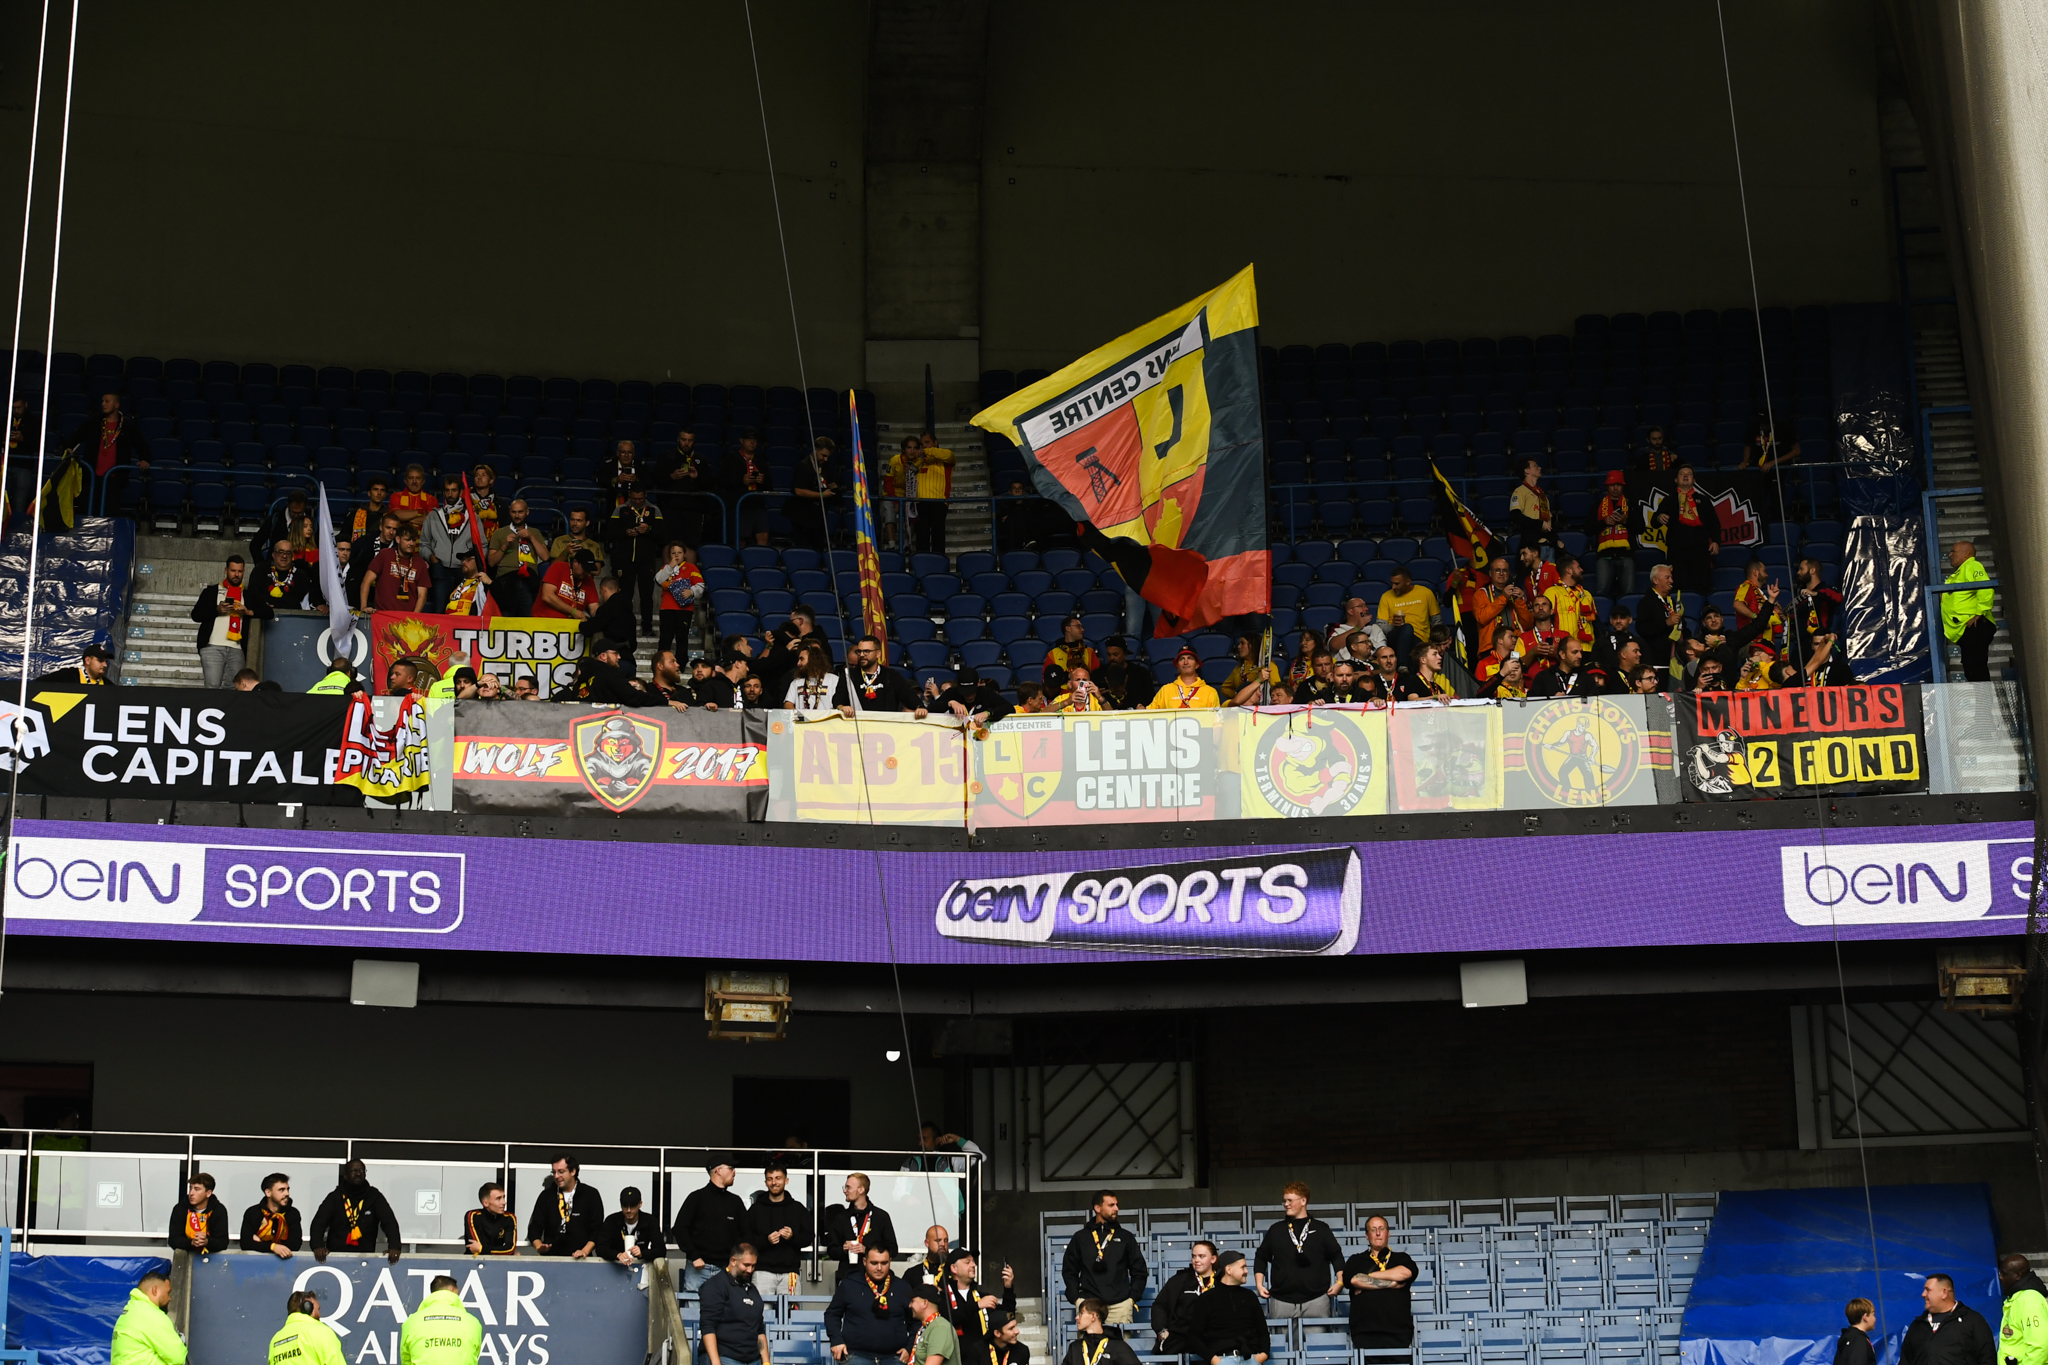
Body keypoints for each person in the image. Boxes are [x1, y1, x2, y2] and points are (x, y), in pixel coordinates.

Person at [1253, 1182, 1344, 1322]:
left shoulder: (1321, 1228)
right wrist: (1259, 1284)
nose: (1286, 1204)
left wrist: (1340, 1282)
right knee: (1282, 1343)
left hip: (1316, 1300)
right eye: (1284, 1200)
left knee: (1318, 1343)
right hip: (1281, 1301)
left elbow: (1336, 1255)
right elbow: (1261, 1256)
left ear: (1303, 1201)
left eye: (1290, 1200)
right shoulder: (1276, 1230)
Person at [1061, 1190, 1147, 1328]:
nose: (1116, 1209)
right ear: (1097, 1208)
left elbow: (1140, 1270)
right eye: (1111, 1205)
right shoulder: (1080, 1237)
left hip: (1119, 1306)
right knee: (1088, 1349)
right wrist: (1077, 1299)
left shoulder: (1126, 1237)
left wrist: (1131, 1299)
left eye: (1117, 1205)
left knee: (1119, 1349)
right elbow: (1069, 1270)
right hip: (1089, 1306)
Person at [191, 556, 274, 688]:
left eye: (239, 571)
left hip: (237, 649)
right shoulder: (211, 592)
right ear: (226, 570)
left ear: (244, 572)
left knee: (235, 689)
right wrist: (217, 610)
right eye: (233, 570)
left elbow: (269, 613)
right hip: (212, 646)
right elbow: (195, 615)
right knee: (212, 687)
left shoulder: (248, 595)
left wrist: (248, 612)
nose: (236, 574)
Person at [828, 1244, 915, 1365]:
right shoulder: (849, 1284)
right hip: (855, 1356)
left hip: (895, 1358)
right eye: (874, 1263)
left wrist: (909, 1348)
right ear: (864, 1261)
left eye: (884, 1263)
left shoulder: (902, 1287)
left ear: (890, 1261)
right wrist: (836, 1340)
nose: (879, 1268)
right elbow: (832, 1314)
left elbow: (916, 1321)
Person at [1343, 1217, 1416, 1351]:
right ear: (1366, 1235)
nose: (1378, 1233)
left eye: (1382, 1229)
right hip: (1365, 1334)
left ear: (1388, 1233)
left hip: (1398, 1333)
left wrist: (1369, 1277)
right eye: (1373, 1229)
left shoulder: (1402, 1258)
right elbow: (1354, 1280)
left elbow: (1405, 1273)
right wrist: (1391, 1284)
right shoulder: (1355, 1260)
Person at [674, 1161, 748, 1290]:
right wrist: (694, 1256)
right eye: (731, 1168)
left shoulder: (735, 1202)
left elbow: (746, 1234)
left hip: (726, 1269)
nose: (734, 1172)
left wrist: (737, 1260)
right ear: (718, 1170)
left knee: (726, 1308)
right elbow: (680, 1229)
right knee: (694, 1308)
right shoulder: (696, 1198)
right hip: (698, 1268)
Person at [310, 1159, 401, 1262]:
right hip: (335, 1258)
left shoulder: (374, 1196)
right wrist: (318, 1246)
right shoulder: (335, 1197)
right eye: (354, 1170)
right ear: (345, 1175)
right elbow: (319, 1222)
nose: (358, 1173)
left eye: (361, 1170)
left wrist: (394, 1247)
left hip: (365, 1259)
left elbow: (389, 1222)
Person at [1186, 1252, 1269, 1365]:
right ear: (1228, 1270)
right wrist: (1215, 1360)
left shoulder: (1250, 1296)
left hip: (1250, 1359)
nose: (1246, 1271)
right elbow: (1193, 1337)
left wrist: (1262, 1356)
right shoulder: (1207, 1298)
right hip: (1222, 1360)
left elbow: (1263, 1331)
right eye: (1243, 1267)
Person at [747, 1163, 812, 1298]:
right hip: (761, 1272)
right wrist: (766, 1241)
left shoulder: (797, 1208)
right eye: (770, 1179)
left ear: (786, 1181)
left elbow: (809, 1237)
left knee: (790, 1315)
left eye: (778, 1178)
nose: (774, 1182)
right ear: (765, 1182)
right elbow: (745, 1239)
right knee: (761, 1315)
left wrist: (792, 1237)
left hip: (790, 1273)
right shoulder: (755, 1210)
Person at [1901, 1272, 1994, 1365]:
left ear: (1944, 1293)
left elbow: (1988, 1358)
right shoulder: (1918, 1325)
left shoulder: (1972, 1321)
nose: (1923, 1294)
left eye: (1928, 1290)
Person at [1655, 464, 1720, 595]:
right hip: (1676, 551)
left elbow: (1714, 524)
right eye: (1681, 474)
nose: (1685, 476)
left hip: (1700, 550)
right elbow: (1654, 522)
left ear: (1694, 480)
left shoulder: (1703, 500)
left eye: (1689, 474)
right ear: (1676, 480)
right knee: (1677, 587)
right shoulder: (1669, 500)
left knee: (1703, 586)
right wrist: (1659, 517)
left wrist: (1716, 541)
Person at [607, 487, 665, 633]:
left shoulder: (654, 510)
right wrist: (625, 532)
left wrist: (648, 530)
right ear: (629, 496)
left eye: (640, 498)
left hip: (646, 560)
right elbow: (610, 533)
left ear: (645, 494)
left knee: (646, 595)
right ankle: (625, 627)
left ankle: (647, 627)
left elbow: (662, 535)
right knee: (625, 595)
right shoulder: (620, 509)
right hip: (624, 559)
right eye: (634, 499)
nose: (638, 501)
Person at [822, 1174, 898, 1283]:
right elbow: (831, 1251)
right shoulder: (841, 1217)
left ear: (861, 1189)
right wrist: (843, 1249)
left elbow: (893, 1250)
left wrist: (867, 1250)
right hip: (847, 1277)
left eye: (848, 1187)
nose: (845, 1191)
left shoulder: (880, 1216)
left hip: (876, 1279)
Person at [702, 1245, 771, 1365]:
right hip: (725, 1356)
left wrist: (766, 1362)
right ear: (734, 1261)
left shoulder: (752, 1289)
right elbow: (708, 1325)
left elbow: (759, 1329)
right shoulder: (716, 1285)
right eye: (746, 1265)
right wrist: (716, 1362)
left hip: (753, 1358)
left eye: (753, 1266)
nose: (750, 1270)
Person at [1152, 1241, 1219, 1358]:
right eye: (1194, 1256)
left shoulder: (1221, 1282)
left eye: (1201, 1256)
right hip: (1181, 1337)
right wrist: (1162, 1331)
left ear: (1213, 1259)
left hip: (1211, 1338)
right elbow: (1160, 1304)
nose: (1196, 1260)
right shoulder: (1180, 1280)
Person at [528, 1153, 603, 1258]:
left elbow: (597, 1229)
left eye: (561, 1172)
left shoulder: (590, 1194)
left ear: (573, 1171)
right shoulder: (547, 1196)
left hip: (581, 1261)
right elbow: (534, 1227)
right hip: (551, 1259)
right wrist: (539, 1246)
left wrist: (584, 1251)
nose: (556, 1176)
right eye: (554, 1172)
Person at [486, 499, 552, 616]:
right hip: (506, 578)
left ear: (527, 512)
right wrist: (505, 545)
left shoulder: (535, 532)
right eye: (514, 512)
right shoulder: (500, 533)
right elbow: (491, 562)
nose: (517, 515)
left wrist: (531, 537)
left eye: (520, 512)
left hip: (529, 578)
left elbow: (545, 557)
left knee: (527, 613)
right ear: (509, 512)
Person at [894, 433, 956, 556]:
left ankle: (938, 567)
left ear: (935, 443)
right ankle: (923, 566)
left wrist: (928, 452)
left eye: (927, 443)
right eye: (922, 445)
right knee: (921, 537)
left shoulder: (945, 459)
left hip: (939, 502)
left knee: (938, 535)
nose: (924, 447)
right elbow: (904, 481)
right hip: (919, 503)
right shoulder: (918, 462)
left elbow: (949, 455)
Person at [399, 1274, 482, 1365]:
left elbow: (406, 1359)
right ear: (451, 1290)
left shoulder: (411, 1322)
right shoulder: (472, 1322)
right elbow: (473, 1355)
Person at [1944, 540, 1996, 682]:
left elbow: (1985, 587)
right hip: (1965, 630)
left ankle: (1985, 702)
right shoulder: (1958, 574)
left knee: (1976, 668)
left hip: (1975, 626)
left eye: (1954, 551)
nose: (1950, 555)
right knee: (1971, 669)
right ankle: (1983, 701)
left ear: (1966, 553)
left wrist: (1980, 612)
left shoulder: (1972, 565)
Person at [111, 1271, 186, 1365]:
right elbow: (179, 1357)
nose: (169, 1298)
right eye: (168, 1292)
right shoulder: (152, 1315)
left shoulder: (129, 1313)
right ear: (155, 1290)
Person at [838, 635, 925, 715]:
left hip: (886, 728)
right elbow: (837, 700)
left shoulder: (892, 675)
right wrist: (842, 707)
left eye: (866, 651)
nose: (861, 655)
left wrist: (920, 707)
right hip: (857, 728)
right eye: (859, 651)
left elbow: (909, 696)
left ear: (878, 654)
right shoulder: (848, 675)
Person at [656, 429, 714, 546]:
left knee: (691, 545)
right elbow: (655, 479)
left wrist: (697, 477)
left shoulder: (700, 460)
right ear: (678, 440)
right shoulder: (666, 457)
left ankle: (689, 566)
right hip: (671, 508)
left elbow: (710, 484)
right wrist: (671, 477)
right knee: (669, 544)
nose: (686, 443)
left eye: (690, 440)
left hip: (693, 510)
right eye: (683, 440)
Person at [361, 525, 431, 613]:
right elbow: (366, 582)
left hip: (407, 618)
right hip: (382, 614)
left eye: (413, 540)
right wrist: (363, 607)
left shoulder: (420, 563)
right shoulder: (385, 555)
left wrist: (414, 616)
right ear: (398, 539)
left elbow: (422, 595)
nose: (411, 543)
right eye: (407, 540)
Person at [1590, 469, 1636, 599]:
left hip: (1626, 555)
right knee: (1602, 591)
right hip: (1604, 556)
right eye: (1612, 485)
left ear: (1623, 486)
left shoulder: (1630, 504)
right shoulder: (1597, 505)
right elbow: (1588, 529)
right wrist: (1604, 522)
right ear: (1607, 486)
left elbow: (1640, 528)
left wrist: (1625, 521)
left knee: (1629, 593)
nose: (1615, 488)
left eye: (1618, 484)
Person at [791, 435, 843, 551]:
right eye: (823, 456)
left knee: (819, 548)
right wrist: (822, 495)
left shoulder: (826, 466)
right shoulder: (804, 466)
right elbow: (799, 490)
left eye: (828, 457)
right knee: (803, 549)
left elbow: (832, 483)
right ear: (815, 450)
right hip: (802, 517)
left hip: (818, 517)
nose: (825, 459)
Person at [1377, 570, 1438, 667]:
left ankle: (1405, 670)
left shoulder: (1425, 593)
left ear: (1408, 582)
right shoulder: (1386, 597)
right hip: (1395, 637)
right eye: (1392, 583)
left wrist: (1436, 641)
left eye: (1397, 584)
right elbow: (1380, 627)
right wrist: (1393, 626)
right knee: (1407, 627)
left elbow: (1437, 621)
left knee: (1415, 645)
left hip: (1420, 639)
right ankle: (1402, 665)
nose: (1393, 587)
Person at [655, 541, 706, 656]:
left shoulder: (691, 568)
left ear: (684, 554)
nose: (676, 555)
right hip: (667, 608)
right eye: (673, 553)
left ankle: (681, 664)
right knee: (665, 638)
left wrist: (691, 591)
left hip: (684, 610)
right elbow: (658, 580)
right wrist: (669, 567)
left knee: (682, 638)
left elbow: (700, 586)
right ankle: (661, 662)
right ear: (669, 555)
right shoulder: (665, 568)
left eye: (679, 552)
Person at [268, 1290, 345, 1365]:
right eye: (318, 1309)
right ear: (307, 1307)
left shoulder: (275, 1341)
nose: (319, 1314)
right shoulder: (321, 1332)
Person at [599, 1186, 667, 1268]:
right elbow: (600, 1248)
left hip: (641, 1269)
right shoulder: (612, 1220)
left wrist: (642, 1253)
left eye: (632, 1206)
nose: (628, 1210)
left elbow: (661, 1250)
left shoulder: (649, 1221)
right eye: (625, 1206)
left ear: (640, 1204)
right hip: (615, 1269)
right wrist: (617, 1255)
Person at [1641, 564, 1686, 683]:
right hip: (1657, 661)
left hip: (1675, 660)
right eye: (1667, 577)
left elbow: (1682, 626)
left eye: (1671, 577)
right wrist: (1666, 623)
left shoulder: (1672, 602)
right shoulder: (1646, 602)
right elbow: (1642, 629)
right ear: (1655, 580)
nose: (1671, 581)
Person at [1999, 1255, 2048, 1365]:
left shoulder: (2029, 1299)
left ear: (2018, 1275)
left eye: (2004, 1274)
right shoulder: (2017, 1298)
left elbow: (2040, 1346)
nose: (2000, 1277)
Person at [240, 1172, 301, 1257]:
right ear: (268, 1192)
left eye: (288, 1189)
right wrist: (272, 1247)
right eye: (281, 1190)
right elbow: (246, 1244)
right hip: (255, 1264)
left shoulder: (293, 1214)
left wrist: (261, 1244)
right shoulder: (253, 1213)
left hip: (284, 1265)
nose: (287, 1193)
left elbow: (295, 1245)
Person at [1060, 1301, 1141, 1365]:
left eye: (1081, 1313)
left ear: (1093, 1316)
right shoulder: (1075, 1347)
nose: (1077, 1317)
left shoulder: (1118, 1346)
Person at [168, 1171, 229, 1254]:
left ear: (208, 1193)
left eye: (197, 1189)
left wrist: (207, 1242)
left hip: (211, 1260)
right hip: (185, 1259)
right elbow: (173, 1240)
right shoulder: (180, 1208)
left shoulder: (218, 1210)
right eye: (191, 1188)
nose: (191, 1193)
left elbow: (223, 1242)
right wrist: (191, 1243)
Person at [1506, 458, 1555, 558]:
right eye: (1535, 466)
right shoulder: (1519, 491)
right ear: (1527, 470)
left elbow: (1549, 520)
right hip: (1531, 545)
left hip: (1548, 544)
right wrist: (1539, 524)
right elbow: (1515, 516)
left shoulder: (1542, 495)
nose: (1539, 468)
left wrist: (1556, 539)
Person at [1043, 617, 1101, 696]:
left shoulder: (1089, 652)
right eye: (1078, 626)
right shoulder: (1053, 654)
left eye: (1082, 627)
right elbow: (1047, 680)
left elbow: (1097, 677)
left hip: (1086, 696)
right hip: (1062, 698)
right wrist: (1067, 676)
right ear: (1068, 628)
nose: (1082, 630)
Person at [537, 549, 600, 621]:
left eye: (589, 570)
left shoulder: (589, 580)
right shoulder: (558, 567)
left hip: (569, 627)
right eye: (584, 569)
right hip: (544, 621)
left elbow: (594, 608)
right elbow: (547, 596)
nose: (586, 572)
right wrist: (573, 611)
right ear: (575, 562)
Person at [1149, 647, 1219, 710]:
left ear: (1197, 665)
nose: (1185, 662)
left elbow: (1217, 721)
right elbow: (1149, 714)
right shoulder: (1165, 690)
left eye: (1190, 658)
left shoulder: (1210, 692)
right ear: (1177, 665)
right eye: (1182, 659)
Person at [260, 537, 318, 611]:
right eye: (281, 552)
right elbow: (254, 593)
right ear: (274, 555)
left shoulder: (301, 575)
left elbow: (300, 600)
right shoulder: (261, 570)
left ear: (293, 556)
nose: (284, 556)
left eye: (288, 553)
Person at [1221, 635, 1281, 706]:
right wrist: (1239, 695)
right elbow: (1224, 688)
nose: (1239, 647)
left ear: (1253, 646)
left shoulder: (1267, 666)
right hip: (1241, 705)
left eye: (1242, 643)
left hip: (1263, 706)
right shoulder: (1239, 668)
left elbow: (1277, 688)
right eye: (1239, 644)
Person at [29, 641, 111, 693]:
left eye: (106, 661)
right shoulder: (67, 676)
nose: (104, 665)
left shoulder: (109, 686)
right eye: (100, 661)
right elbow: (37, 685)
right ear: (88, 660)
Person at [464, 1182, 518, 1255]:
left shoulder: (509, 1218)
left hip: (499, 1263)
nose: (504, 1202)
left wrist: (482, 1249)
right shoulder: (473, 1216)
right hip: (474, 1263)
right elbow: (474, 1248)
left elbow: (510, 1249)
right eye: (498, 1199)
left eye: (503, 1197)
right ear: (485, 1203)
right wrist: (499, 1250)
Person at [910, 1288, 962, 1365]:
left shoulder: (940, 1328)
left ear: (925, 1303)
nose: (909, 1305)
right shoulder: (928, 1326)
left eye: (912, 1301)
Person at [1327, 599, 1384, 664]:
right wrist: (1357, 628)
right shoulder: (1337, 628)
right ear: (1350, 611)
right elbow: (1334, 645)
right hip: (1344, 669)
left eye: (1366, 606)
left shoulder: (1374, 629)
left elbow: (1383, 651)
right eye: (1361, 606)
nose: (1366, 609)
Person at [389, 464, 436, 534]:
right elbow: (395, 516)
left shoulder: (431, 499)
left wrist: (404, 519)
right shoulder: (396, 496)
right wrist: (420, 512)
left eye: (418, 478)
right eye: (411, 478)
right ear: (405, 480)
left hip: (424, 542)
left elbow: (430, 522)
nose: (414, 481)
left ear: (423, 481)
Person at [1832, 1298, 1877, 1365]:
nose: (1875, 1319)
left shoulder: (1850, 1337)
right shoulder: (1858, 1340)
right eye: (1873, 1315)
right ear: (1865, 1317)